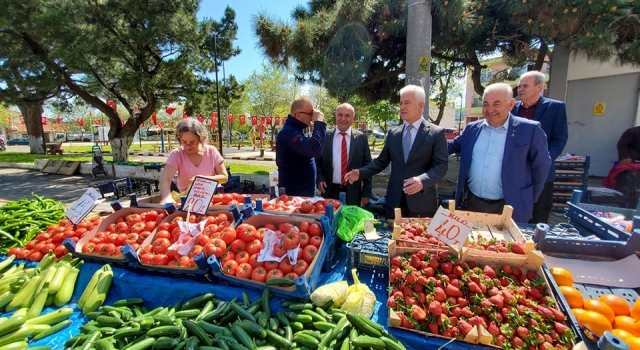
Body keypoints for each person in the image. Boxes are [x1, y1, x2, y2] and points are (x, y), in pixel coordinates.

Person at [449, 83, 551, 223]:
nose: (490, 109)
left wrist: (529, 197)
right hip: (474, 204)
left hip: (511, 206)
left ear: (511, 105)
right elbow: (451, 147)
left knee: (508, 245)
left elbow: (542, 166)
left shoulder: (529, 130)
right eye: (486, 104)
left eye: (496, 104)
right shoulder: (472, 129)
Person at [344, 85, 448, 219]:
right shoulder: (394, 133)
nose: (402, 107)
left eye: (407, 103)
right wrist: (360, 172)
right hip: (394, 202)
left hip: (422, 204)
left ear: (421, 105)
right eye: (401, 103)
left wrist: (422, 180)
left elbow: (441, 166)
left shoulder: (436, 133)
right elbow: (381, 162)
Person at [511, 71, 568, 223]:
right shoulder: (511, 109)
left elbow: (559, 139)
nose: (520, 89)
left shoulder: (555, 108)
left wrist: (543, 160)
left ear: (539, 87)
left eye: (525, 86)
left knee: (538, 215)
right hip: (515, 173)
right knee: (513, 215)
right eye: (519, 86)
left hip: (541, 173)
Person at [158, 118, 229, 204]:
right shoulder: (176, 154)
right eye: (184, 142)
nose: (188, 146)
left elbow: (224, 177)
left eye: (192, 142)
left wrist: (202, 180)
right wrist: (166, 197)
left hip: (212, 199)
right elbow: (165, 179)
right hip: (186, 199)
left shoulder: (211, 151)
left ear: (201, 139)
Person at [316, 103, 372, 206]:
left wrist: (367, 191)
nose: (343, 118)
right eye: (340, 115)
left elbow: (368, 165)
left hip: (353, 192)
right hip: (329, 190)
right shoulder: (325, 136)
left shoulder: (361, 138)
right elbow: (317, 160)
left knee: (350, 221)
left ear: (353, 118)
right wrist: (319, 178)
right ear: (335, 116)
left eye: (347, 115)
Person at [276, 96, 327, 197]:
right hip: (294, 196)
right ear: (298, 115)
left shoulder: (293, 130)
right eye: (310, 114)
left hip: (300, 193)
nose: (312, 118)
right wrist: (319, 123)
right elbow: (315, 149)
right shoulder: (289, 132)